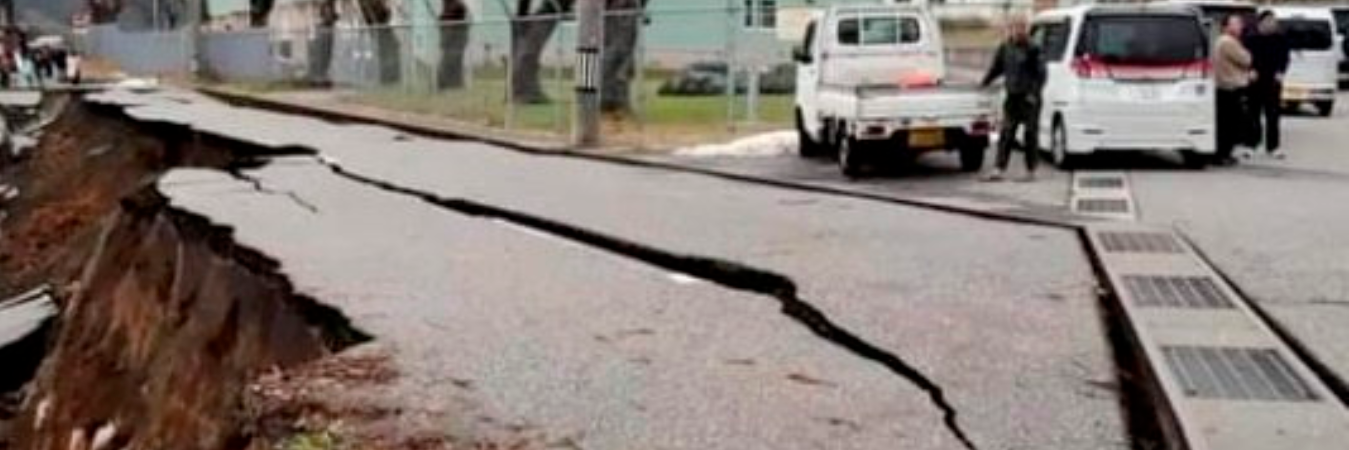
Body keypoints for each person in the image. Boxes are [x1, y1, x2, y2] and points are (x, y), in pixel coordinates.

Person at [980, 16, 1045, 182]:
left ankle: (1031, 170)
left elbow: (1041, 75)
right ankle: (999, 169)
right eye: (1017, 27)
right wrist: (984, 83)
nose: (1020, 31)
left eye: (1023, 27)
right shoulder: (1005, 47)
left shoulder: (1034, 48)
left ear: (1027, 29)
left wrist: (1033, 94)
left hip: (1029, 98)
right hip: (1012, 97)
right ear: (1011, 29)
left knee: (1030, 134)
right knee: (1007, 132)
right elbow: (996, 68)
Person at [1244, 11, 1290, 159]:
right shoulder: (1251, 39)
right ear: (1261, 23)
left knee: (1273, 116)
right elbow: (1245, 58)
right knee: (1253, 115)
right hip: (1255, 82)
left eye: (1274, 21)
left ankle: (1273, 147)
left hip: (1273, 82)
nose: (1272, 24)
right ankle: (1251, 145)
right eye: (1269, 21)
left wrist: (1281, 71)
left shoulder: (1280, 39)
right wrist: (1249, 70)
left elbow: (1285, 58)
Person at [1214, 14, 1253, 166]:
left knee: (1226, 123)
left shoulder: (1221, 41)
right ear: (1226, 26)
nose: (1240, 26)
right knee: (1229, 124)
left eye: (1240, 23)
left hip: (1224, 86)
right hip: (1229, 87)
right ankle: (1223, 154)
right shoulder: (1228, 42)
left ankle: (1223, 153)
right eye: (1236, 23)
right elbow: (1247, 59)